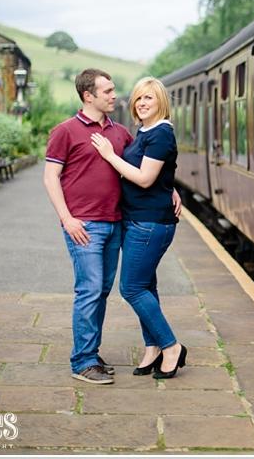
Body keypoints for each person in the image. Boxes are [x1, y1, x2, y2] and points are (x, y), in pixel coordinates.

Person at [90, 76, 187, 380]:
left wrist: (109, 156)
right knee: (146, 287)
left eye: (150, 98)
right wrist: (168, 186)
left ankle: (171, 346)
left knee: (131, 288)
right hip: (139, 219)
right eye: (139, 98)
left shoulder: (161, 134)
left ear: (161, 102)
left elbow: (144, 178)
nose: (143, 103)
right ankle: (153, 347)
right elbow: (159, 176)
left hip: (150, 223)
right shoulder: (145, 132)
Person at [43, 68, 133, 385]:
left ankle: (90, 353)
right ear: (88, 96)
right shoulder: (65, 131)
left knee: (101, 292)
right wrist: (67, 219)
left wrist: (171, 190)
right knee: (90, 290)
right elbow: (50, 177)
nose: (114, 95)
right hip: (84, 226)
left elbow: (142, 168)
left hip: (114, 224)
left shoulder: (120, 133)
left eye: (113, 89)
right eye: (107, 91)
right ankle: (82, 361)